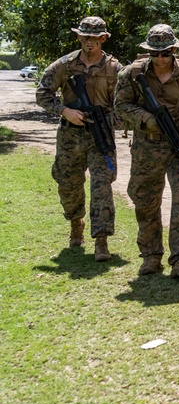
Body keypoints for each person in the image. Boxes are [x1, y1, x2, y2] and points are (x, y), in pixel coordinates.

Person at [114, 24, 179, 278]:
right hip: (146, 145)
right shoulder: (132, 74)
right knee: (145, 200)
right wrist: (146, 119)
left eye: (165, 53)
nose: (160, 58)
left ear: (174, 51)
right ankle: (150, 255)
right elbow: (120, 105)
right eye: (154, 53)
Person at [36, 16, 122, 261]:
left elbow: (126, 102)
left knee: (101, 185)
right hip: (70, 135)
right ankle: (76, 222)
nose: (90, 43)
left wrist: (110, 121)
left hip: (101, 135)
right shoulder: (65, 65)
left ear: (103, 39)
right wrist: (65, 111)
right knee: (68, 183)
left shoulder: (115, 68)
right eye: (86, 38)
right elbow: (43, 93)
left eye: (95, 38)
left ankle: (102, 240)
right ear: (79, 37)